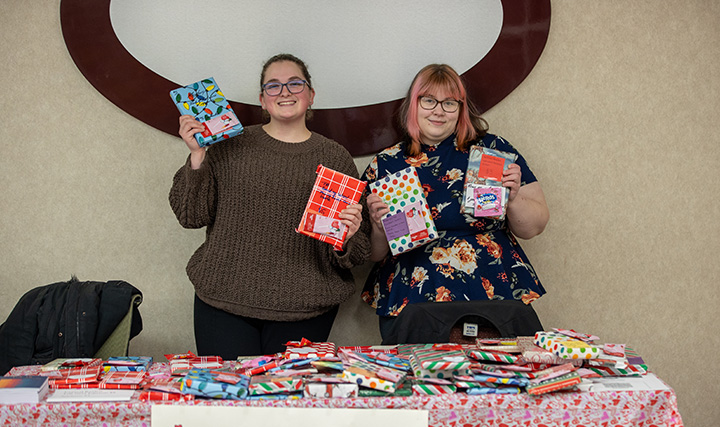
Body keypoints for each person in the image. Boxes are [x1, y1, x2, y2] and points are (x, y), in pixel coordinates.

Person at [169, 53, 370, 358]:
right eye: (273, 86)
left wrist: (348, 236)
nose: (285, 92)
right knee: (226, 402)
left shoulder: (335, 157)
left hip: (305, 308)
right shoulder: (228, 145)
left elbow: (356, 252)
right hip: (223, 301)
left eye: (295, 84)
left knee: (285, 406)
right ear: (262, 100)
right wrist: (197, 156)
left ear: (311, 95)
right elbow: (191, 215)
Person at [361, 64, 549, 343]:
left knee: (500, 380)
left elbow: (533, 226)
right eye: (429, 100)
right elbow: (372, 254)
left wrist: (513, 196)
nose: (438, 110)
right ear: (413, 105)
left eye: (449, 103)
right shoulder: (387, 163)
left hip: (491, 288)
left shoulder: (494, 152)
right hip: (412, 294)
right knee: (416, 381)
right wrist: (378, 228)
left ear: (461, 108)